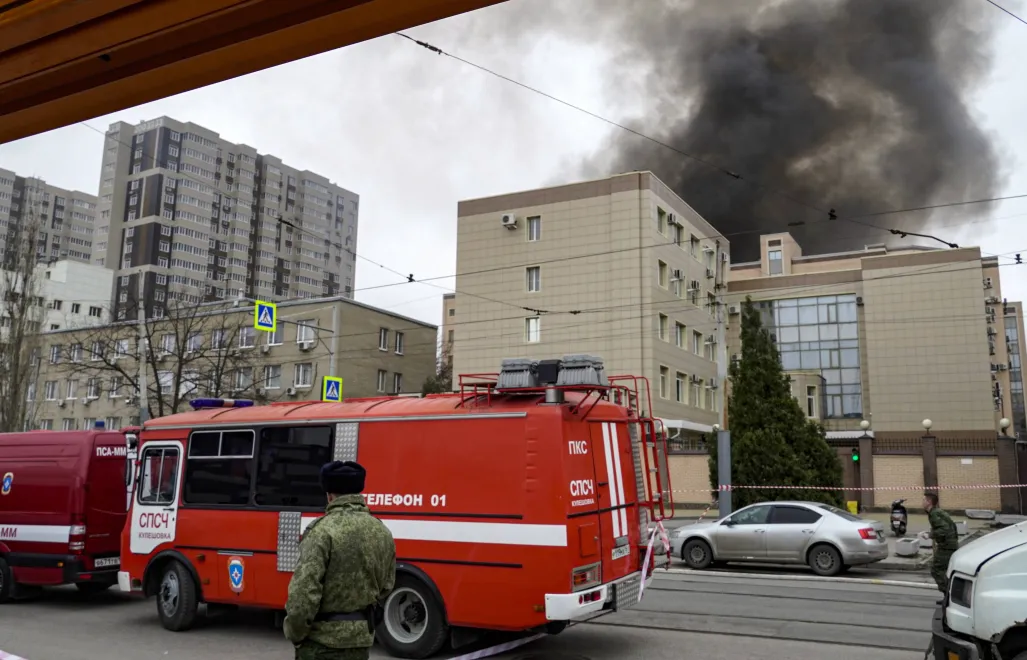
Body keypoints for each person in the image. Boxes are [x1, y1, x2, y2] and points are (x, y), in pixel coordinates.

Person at [284, 461, 396, 660]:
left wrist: (295, 634)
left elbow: (303, 593)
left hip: (321, 644)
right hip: (361, 643)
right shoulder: (382, 531)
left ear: (329, 495)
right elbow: (387, 585)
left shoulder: (321, 531)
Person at [922, 491, 959, 603]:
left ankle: (948, 596)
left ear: (929, 502)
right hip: (949, 545)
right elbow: (950, 526)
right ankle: (949, 596)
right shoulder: (937, 512)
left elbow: (944, 529)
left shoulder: (934, 514)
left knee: (936, 570)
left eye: (924, 500)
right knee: (945, 570)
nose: (922, 502)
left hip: (946, 547)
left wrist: (929, 535)